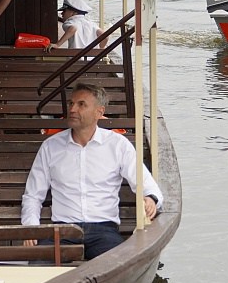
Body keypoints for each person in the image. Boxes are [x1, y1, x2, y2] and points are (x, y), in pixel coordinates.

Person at [21, 83, 162, 260]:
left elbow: (147, 185)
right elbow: (33, 195)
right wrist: (31, 228)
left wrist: (150, 199)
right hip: (63, 231)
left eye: (81, 104)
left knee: (119, 263)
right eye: (71, 103)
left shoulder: (118, 145)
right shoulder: (51, 147)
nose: (72, 109)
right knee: (38, 265)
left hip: (104, 231)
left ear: (99, 112)